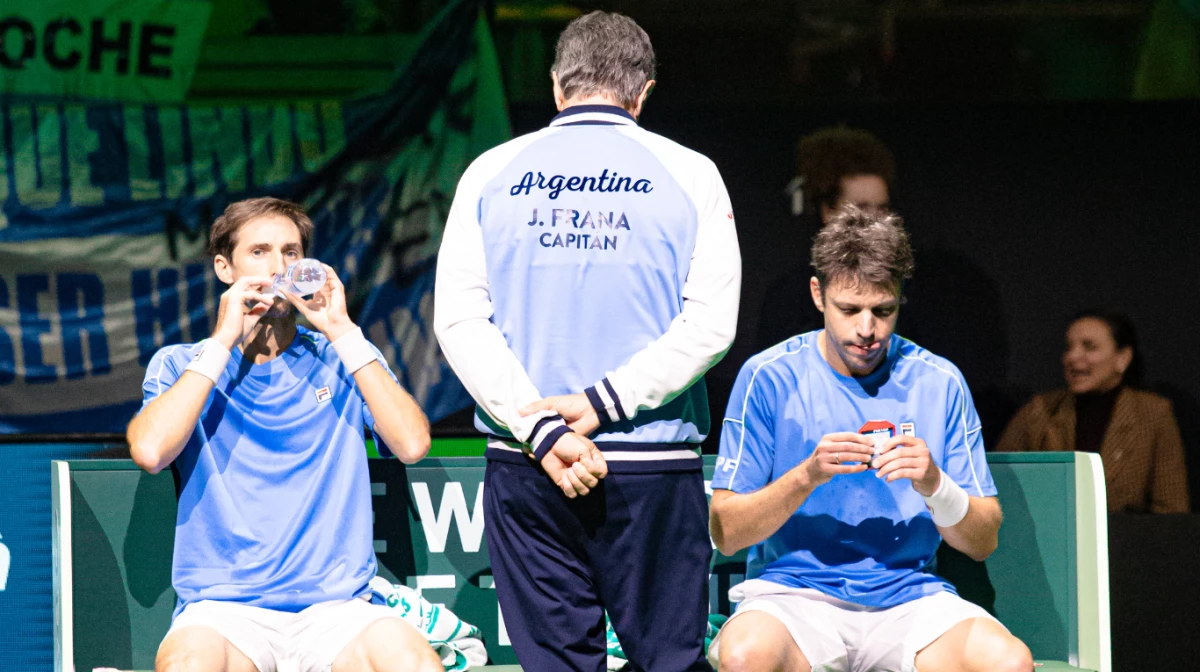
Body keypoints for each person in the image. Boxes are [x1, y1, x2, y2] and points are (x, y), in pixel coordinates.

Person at [434, 10, 740, 671]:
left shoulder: (490, 171)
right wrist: (604, 402)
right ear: (643, 92)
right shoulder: (692, 173)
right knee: (668, 662)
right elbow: (711, 325)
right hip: (651, 465)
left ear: (556, 86)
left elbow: (459, 319)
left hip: (530, 462)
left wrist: (541, 429)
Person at [709, 206, 1032, 672]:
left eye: (884, 311)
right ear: (818, 294)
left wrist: (935, 485)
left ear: (901, 299)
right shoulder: (768, 377)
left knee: (1009, 662)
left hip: (909, 597)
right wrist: (806, 476)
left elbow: (982, 540)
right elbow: (727, 532)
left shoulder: (939, 381)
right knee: (745, 658)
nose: (867, 330)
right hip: (794, 596)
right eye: (850, 309)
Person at [126, 197, 440, 672]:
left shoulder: (343, 355)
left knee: (411, 662)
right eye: (260, 252)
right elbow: (150, 451)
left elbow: (412, 445)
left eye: (291, 253)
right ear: (224, 268)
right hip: (225, 612)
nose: (278, 267)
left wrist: (342, 328)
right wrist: (222, 341)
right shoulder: (180, 363)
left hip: (338, 610)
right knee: (189, 664)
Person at [997, 310, 1190, 513]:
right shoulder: (1040, 410)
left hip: (1127, 541)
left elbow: (1171, 508)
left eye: (1089, 347)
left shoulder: (1153, 414)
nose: (1072, 357)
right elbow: (997, 485)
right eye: (1069, 347)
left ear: (1122, 358)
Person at [758, 126, 895, 350]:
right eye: (861, 208)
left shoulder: (903, 287)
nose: (874, 221)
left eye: (882, 208)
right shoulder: (789, 296)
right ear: (828, 211)